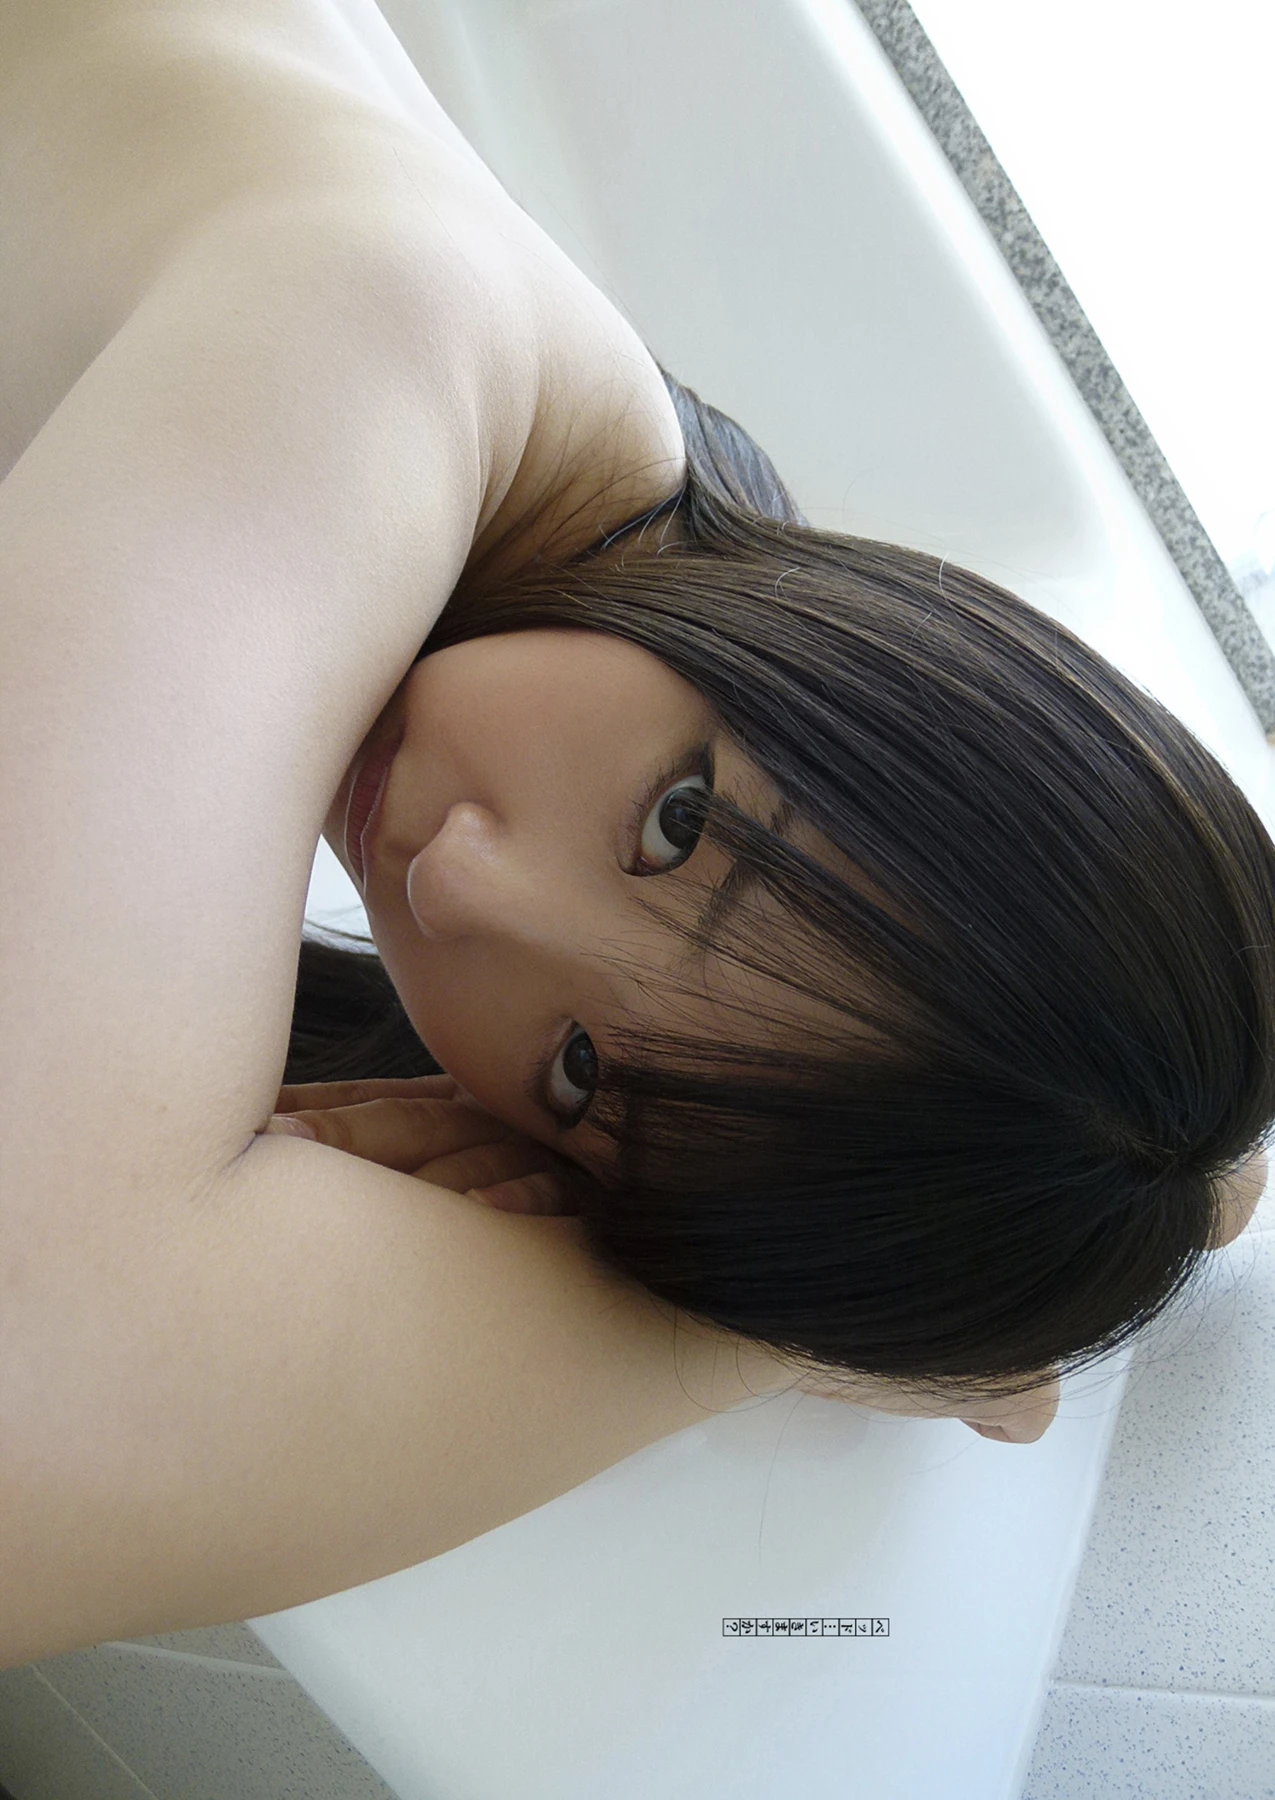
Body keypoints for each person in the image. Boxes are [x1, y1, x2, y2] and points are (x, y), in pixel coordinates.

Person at [2, 0, 1271, 1666]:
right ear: (853, 653)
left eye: (581, 1069)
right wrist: (752, 1345)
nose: (458, 882)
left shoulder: (631, 541)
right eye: (676, 828)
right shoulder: (374, 333)